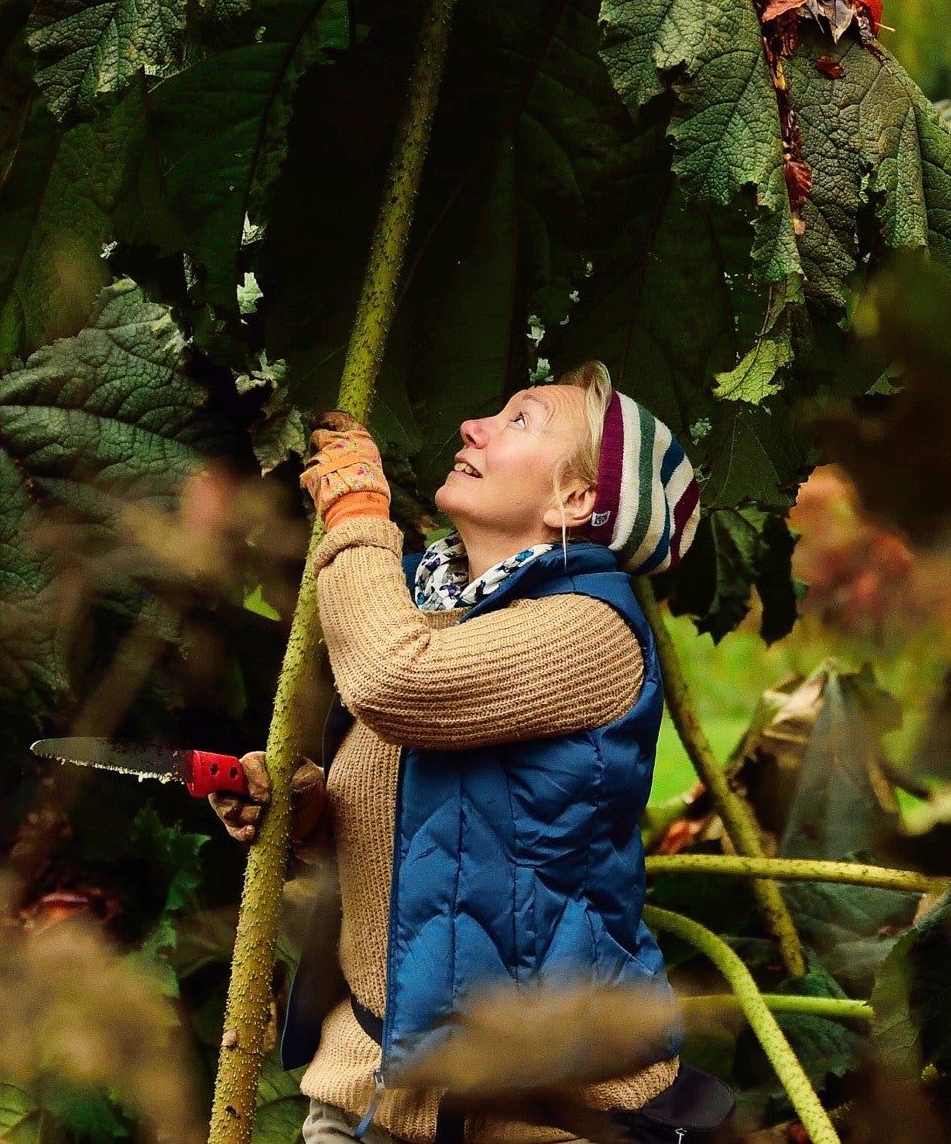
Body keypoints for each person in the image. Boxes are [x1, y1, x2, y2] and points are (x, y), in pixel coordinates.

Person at [210, 363, 722, 1144]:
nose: (473, 428)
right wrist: (311, 812)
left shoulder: (589, 626)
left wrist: (355, 511)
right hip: (369, 1072)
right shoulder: (428, 610)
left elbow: (393, 682)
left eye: (521, 421)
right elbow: (427, 825)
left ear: (575, 500)